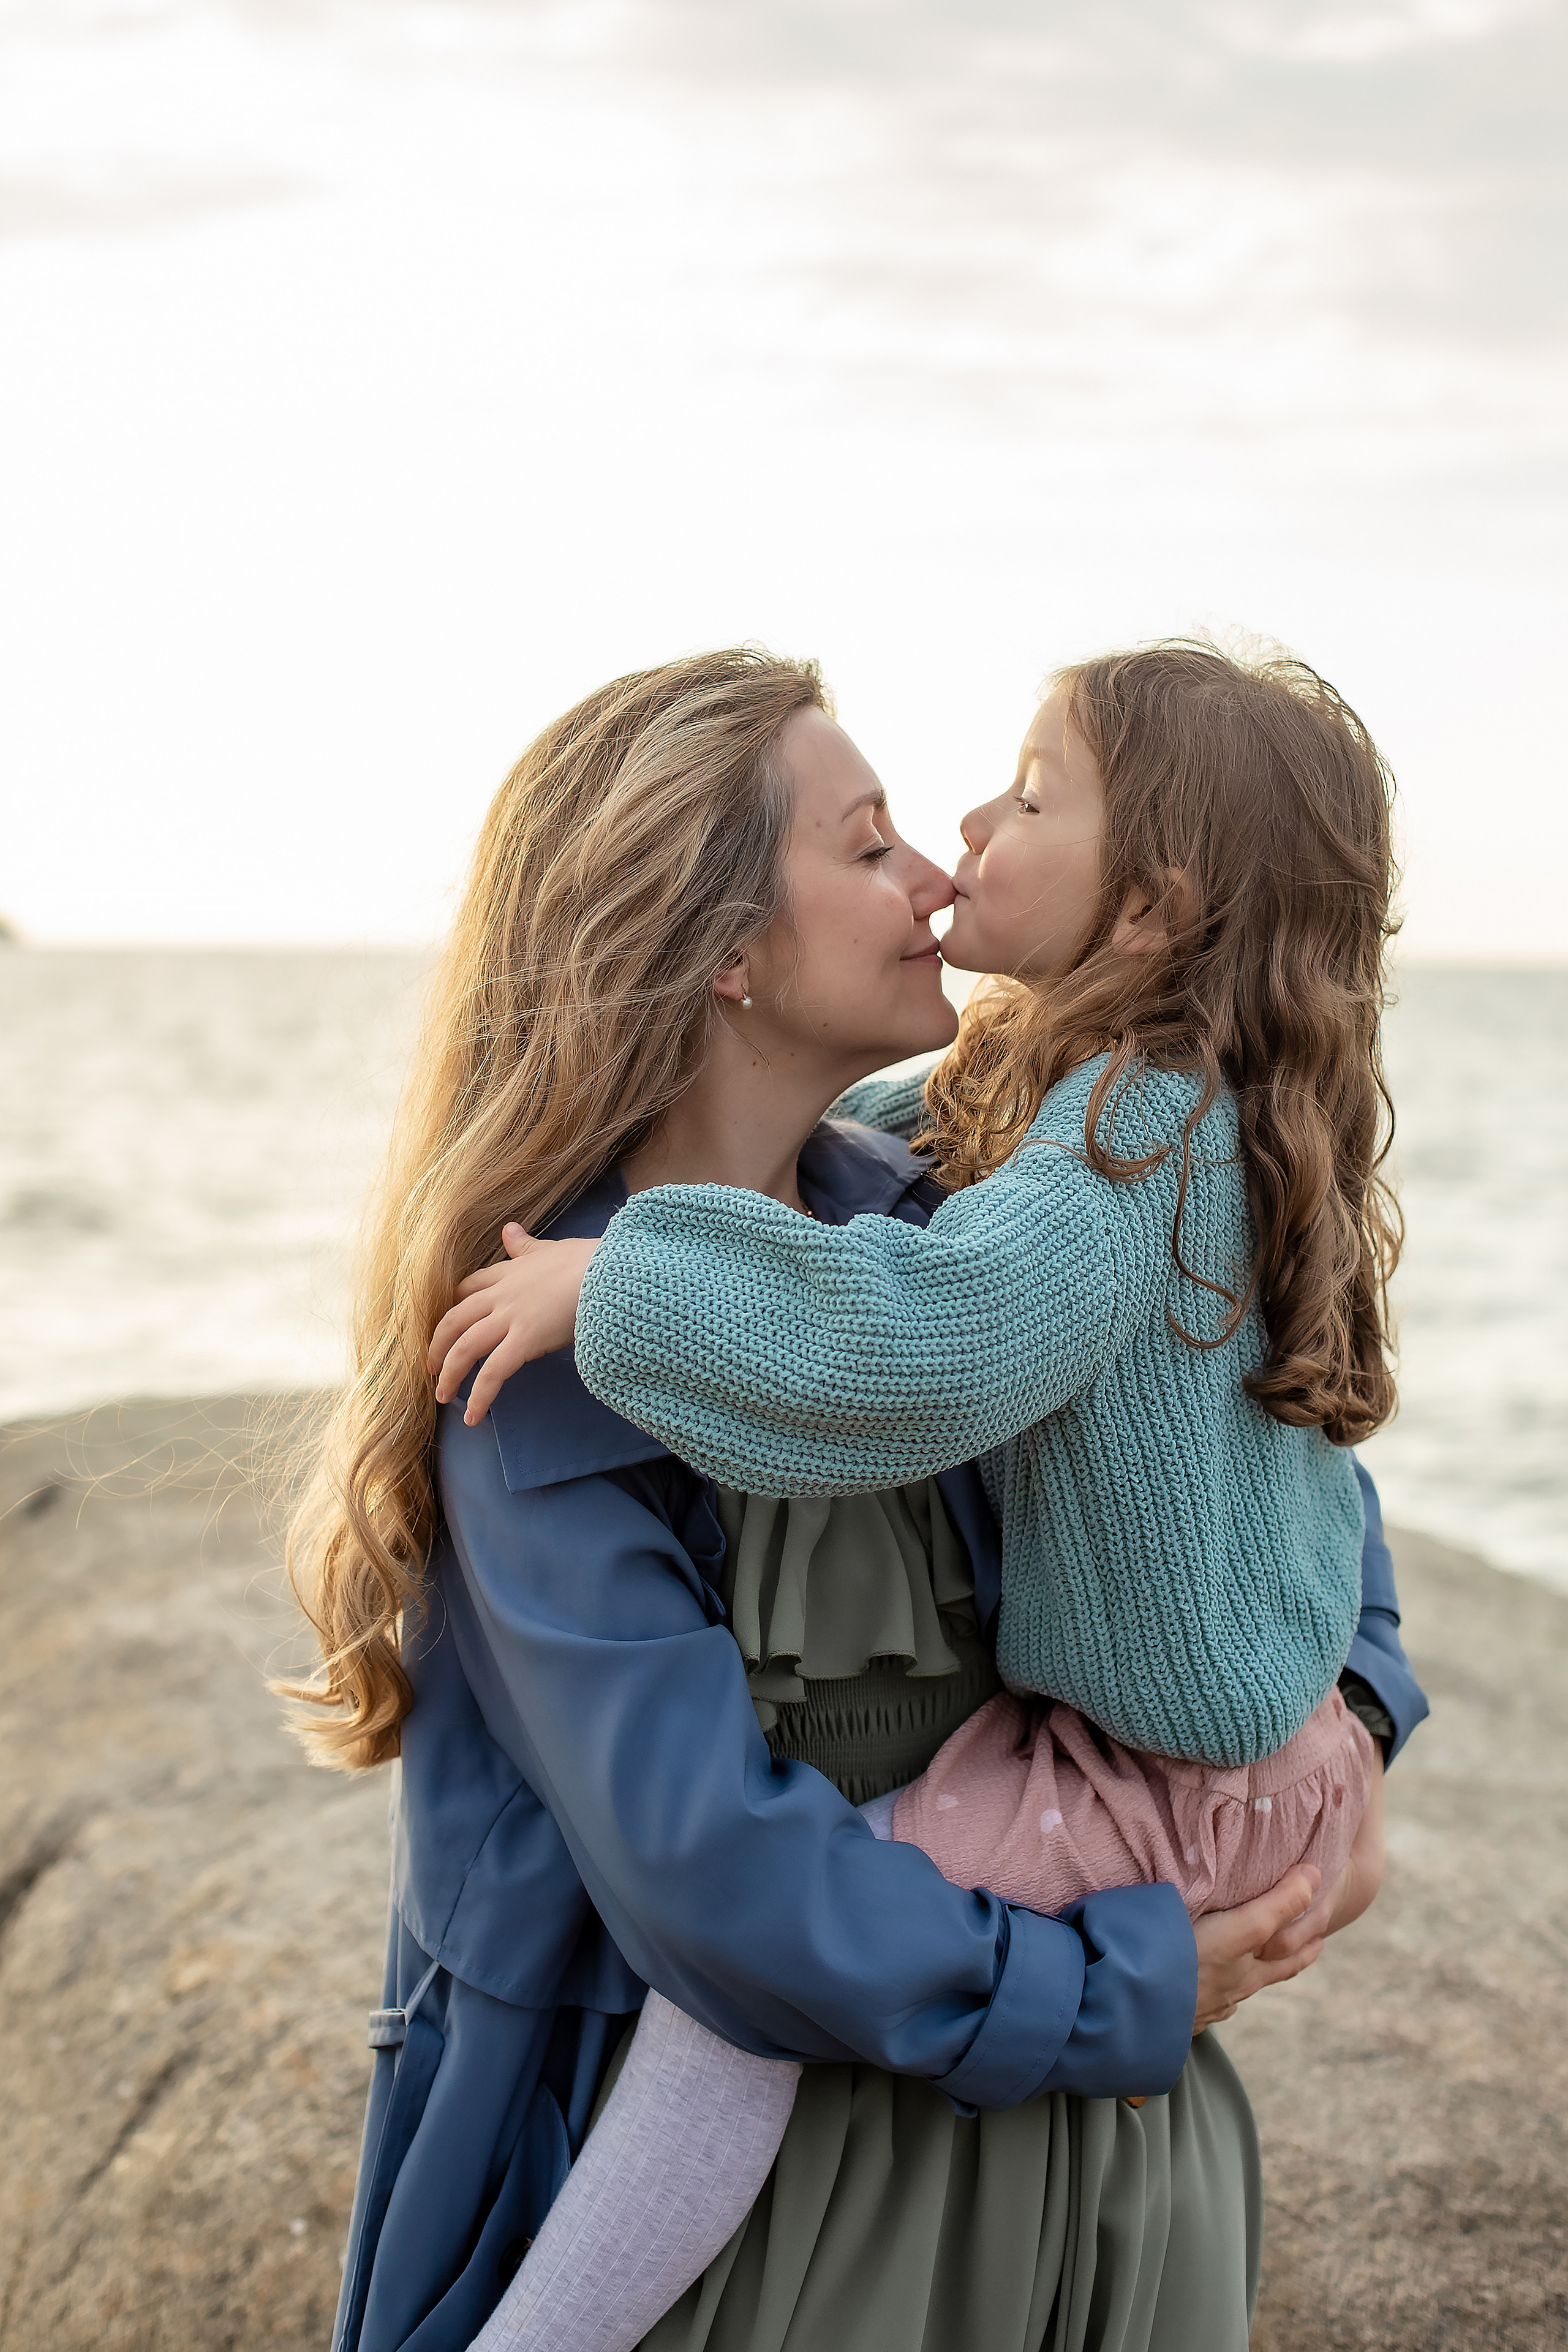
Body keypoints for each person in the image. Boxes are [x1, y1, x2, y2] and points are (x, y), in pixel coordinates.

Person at [431, 641, 1427, 2351]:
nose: (946, 862)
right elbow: (718, 1889)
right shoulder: (544, 1359)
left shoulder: (977, 1213)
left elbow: (1277, 1463)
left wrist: (1352, 1712)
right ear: (726, 948)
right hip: (840, 2236)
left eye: (1011, 804)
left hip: (1115, 2191)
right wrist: (1133, 1983)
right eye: (874, 839)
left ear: (1148, 909)